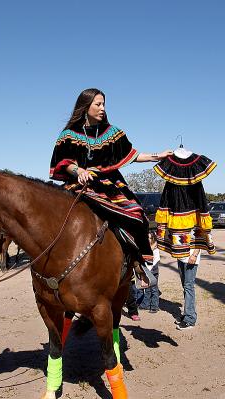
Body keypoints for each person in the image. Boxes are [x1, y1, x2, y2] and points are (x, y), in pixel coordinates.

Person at [49, 88, 173, 286]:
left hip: (110, 184)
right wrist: (79, 171)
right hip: (79, 182)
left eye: (104, 104)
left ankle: (136, 262)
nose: (102, 108)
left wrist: (157, 156)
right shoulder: (69, 134)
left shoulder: (112, 133)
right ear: (85, 107)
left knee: (137, 214)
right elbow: (64, 162)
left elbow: (132, 155)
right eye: (98, 104)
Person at [176, 245, 201, 330]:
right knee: (185, 286)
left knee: (188, 287)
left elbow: (201, 238)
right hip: (181, 257)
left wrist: (195, 254)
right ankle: (187, 313)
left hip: (191, 257)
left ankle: (190, 319)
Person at [138, 231, 161, 312]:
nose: (148, 239)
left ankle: (154, 306)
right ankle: (146, 304)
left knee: (154, 289)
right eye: (147, 238)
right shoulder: (145, 249)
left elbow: (155, 261)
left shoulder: (156, 250)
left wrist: (148, 271)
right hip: (146, 271)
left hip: (153, 271)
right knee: (147, 288)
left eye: (150, 238)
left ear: (153, 239)